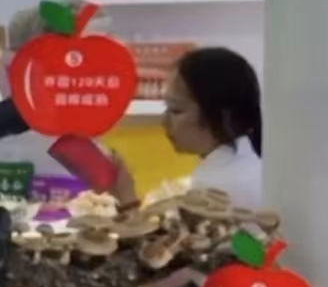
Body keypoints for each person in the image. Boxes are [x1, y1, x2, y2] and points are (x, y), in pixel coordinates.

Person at [110, 46, 263, 210]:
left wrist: (127, 198)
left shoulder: (219, 186)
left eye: (176, 110)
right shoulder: (246, 163)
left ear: (223, 116)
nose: (164, 122)